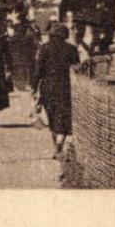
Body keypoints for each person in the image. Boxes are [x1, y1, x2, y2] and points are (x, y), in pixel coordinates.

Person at [33, 22, 79, 153]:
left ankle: (56, 145)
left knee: (52, 116)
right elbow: (77, 69)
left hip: (47, 86)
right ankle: (59, 144)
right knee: (63, 117)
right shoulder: (72, 49)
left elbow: (38, 70)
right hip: (65, 86)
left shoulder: (44, 48)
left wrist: (34, 87)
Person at [9, 15, 41, 93]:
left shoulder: (14, 37)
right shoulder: (29, 36)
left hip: (19, 57)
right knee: (29, 70)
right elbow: (37, 45)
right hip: (28, 57)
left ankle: (21, 85)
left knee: (22, 70)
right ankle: (27, 85)